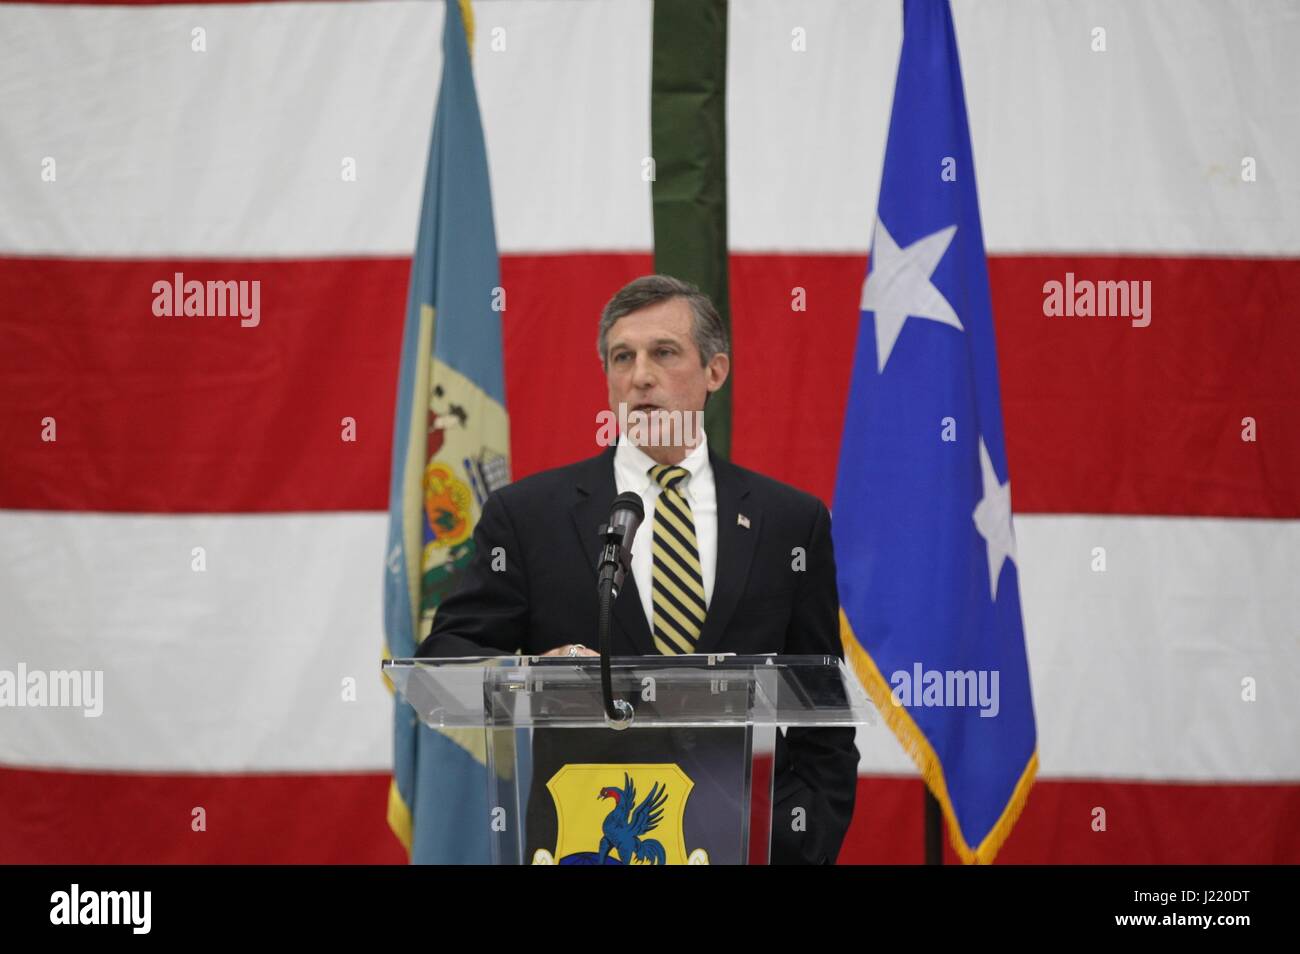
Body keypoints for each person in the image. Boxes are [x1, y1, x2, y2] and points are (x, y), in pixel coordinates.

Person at [416, 274, 859, 864]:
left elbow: (823, 720)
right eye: (622, 357)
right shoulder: (528, 517)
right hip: (582, 843)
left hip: (736, 843)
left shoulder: (789, 523)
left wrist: (790, 851)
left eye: (664, 353)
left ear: (715, 373)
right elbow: (446, 657)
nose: (640, 376)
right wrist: (532, 672)